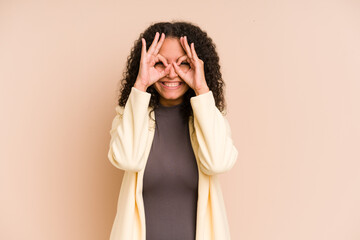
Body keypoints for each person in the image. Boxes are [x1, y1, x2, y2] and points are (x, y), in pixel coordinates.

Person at [107, 21, 238, 240]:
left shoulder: (209, 118)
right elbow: (127, 160)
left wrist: (201, 89)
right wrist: (140, 85)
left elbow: (219, 163)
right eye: (160, 63)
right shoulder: (128, 116)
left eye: (183, 63)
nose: (171, 73)